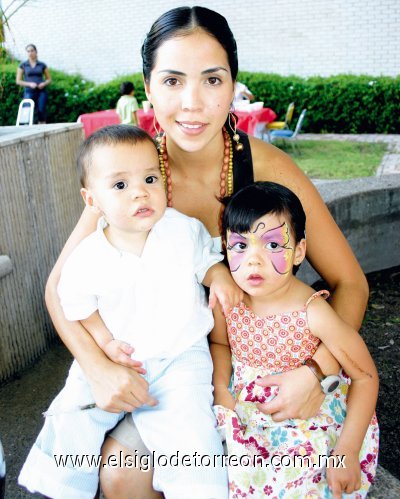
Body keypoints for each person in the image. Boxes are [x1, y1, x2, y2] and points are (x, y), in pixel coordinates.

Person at [43, 7, 369, 497]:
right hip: (167, 366)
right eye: (172, 81)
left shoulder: (267, 167)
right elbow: (60, 286)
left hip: (269, 370)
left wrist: (315, 370)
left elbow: (350, 282)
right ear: (148, 88)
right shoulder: (130, 175)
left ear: (234, 84)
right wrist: (98, 365)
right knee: (119, 473)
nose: (192, 103)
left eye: (212, 80)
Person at [19, 125, 239, 498]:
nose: (140, 191)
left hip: (180, 356)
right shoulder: (88, 255)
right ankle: (59, 487)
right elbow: (78, 307)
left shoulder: (182, 230)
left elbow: (208, 262)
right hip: (119, 357)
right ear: (92, 200)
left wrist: (220, 279)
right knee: (73, 413)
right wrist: (105, 343)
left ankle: (199, 488)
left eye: (150, 178)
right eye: (120, 185)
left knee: (189, 427)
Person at [211, 181, 379, 498]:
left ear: (299, 250)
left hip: (303, 422)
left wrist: (347, 450)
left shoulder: (313, 312)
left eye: (273, 245)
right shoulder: (228, 302)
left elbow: (365, 375)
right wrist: (221, 387)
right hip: (243, 413)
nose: (254, 260)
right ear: (225, 245)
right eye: (241, 246)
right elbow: (221, 345)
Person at [16, 44, 51, 123]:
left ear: (36, 52)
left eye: (32, 50)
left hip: (41, 91)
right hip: (29, 91)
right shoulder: (23, 65)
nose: (30, 53)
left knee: (41, 110)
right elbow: (18, 81)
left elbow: (49, 79)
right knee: (26, 110)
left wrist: (44, 83)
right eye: (28, 51)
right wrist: (29, 84)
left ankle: (42, 129)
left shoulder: (42, 65)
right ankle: (25, 129)